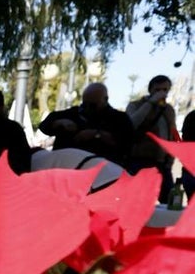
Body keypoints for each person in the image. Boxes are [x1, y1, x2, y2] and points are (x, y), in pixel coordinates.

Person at [38, 82, 135, 167]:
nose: (87, 109)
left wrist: (96, 134)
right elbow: (44, 126)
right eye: (85, 104)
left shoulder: (119, 119)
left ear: (105, 99)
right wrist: (59, 122)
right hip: (66, 166)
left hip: (101, 170)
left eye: (92, 105)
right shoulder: (73, 113)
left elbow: (126, 143)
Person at [126, 74, 180, 202]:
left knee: (168, 200)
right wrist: (150, 103)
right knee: (136, 200)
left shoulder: (168, 110)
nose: (162, 93)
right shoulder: (136, 105)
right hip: (139, 160)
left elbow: (172, 133)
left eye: (165, 90)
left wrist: (170, 159)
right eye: (158, 90)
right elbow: (131, 124)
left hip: (161, 162)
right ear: (150, 90)